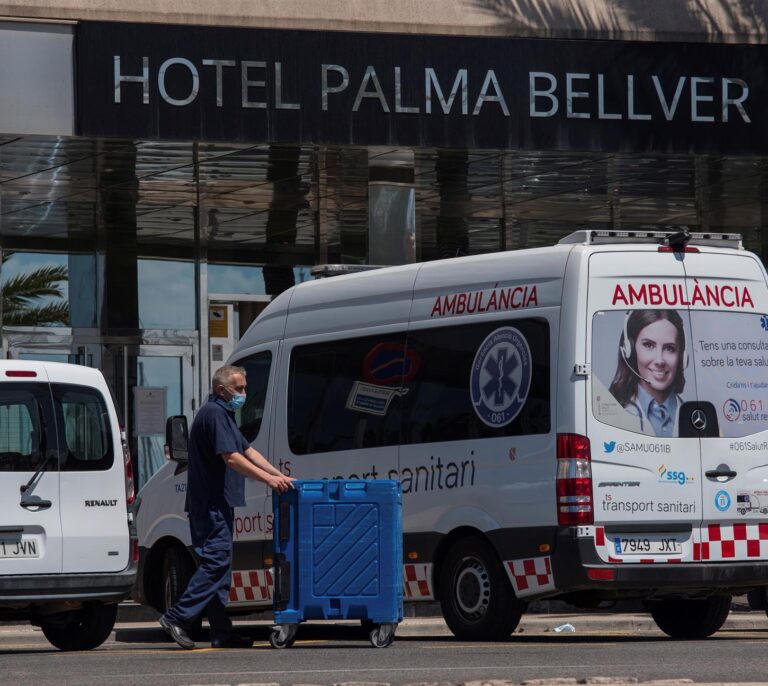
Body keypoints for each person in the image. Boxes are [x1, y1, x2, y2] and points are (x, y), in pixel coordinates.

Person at [159, 365, 294, 650]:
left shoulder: (224, 415)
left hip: (218, 503)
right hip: (210, 505)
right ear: (222, 390)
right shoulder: (215, 414)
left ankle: (221, 631)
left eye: (245, 388)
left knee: (221, 569)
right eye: (240, 388)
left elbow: (248, 450)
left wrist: (278, 475)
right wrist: (269, 480)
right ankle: (177, 617)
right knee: (216, 563)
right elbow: (231, 458)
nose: (244, 394)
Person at [608, 309, 687, 438]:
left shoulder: (700, 418)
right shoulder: (610, 414)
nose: (660, 360)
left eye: (669, 348)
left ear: (682, 356)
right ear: (630, 351)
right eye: (649, 345)